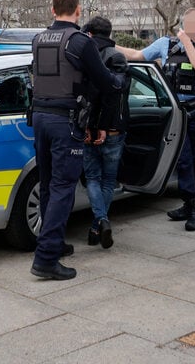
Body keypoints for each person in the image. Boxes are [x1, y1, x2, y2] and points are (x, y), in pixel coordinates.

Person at [30, 0, 123, 281]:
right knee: (62, 188)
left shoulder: (38, 39)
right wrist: (119, 79)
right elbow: (105, 82)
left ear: (52, 8)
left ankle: (53, 244)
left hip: (41, 119)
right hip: (65, 123)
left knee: (48, 185)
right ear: (78, 11)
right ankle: (46, 259)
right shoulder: (80, 42)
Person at [116, 9, 195, 231]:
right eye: (194, 23)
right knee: (184, 159)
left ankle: (193, 206)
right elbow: (137, 56)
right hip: (177, 113)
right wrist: (106, 43)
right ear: (183, 23)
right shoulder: (164, 44)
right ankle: (191, 205)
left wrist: (186, 41)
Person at [80, 16, 130, 249]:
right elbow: (115, 93)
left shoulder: (83, 57)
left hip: (89, 127)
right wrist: (103, 126)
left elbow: (86, 95)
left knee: (92, 177)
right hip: (113, 128)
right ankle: (100, 221)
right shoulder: (117, 57)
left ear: (89, 33)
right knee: (108, 180)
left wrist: (90, 126)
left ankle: (96, 225)